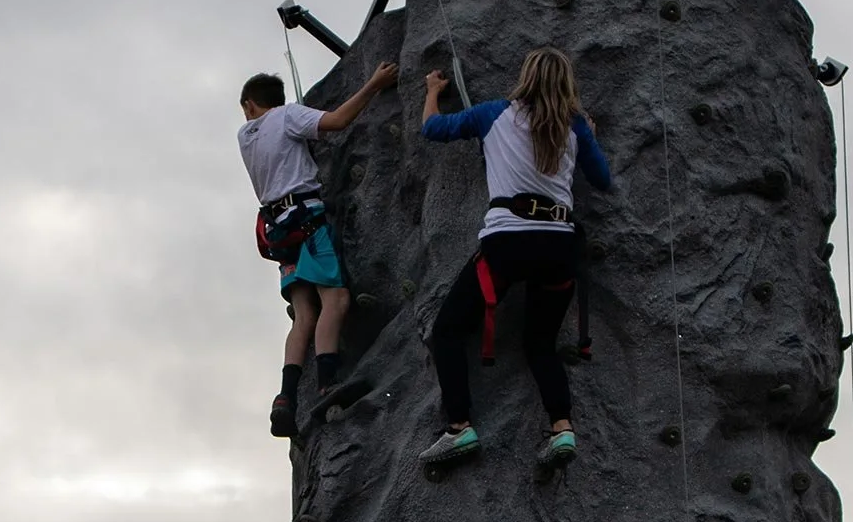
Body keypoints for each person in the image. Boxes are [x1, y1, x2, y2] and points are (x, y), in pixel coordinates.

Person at [416, 46, 612, 467]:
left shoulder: (493, 114)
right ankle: (562, 428)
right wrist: (589, 135)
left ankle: (459, 428)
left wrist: (432, 90)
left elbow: (432, 129)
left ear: (525, 76)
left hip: (509, 242)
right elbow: (603, 180)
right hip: (558, 244)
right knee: (540, 342)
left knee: (448, 330)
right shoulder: (574, 126)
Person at [238, 61, 398, 437]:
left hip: (278, 232)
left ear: (248, 106)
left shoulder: (244, 135)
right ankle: (327, 383)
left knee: (304, 315)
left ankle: (285, 398)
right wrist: (374, 83)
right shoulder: (288, 116)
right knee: (336, 300)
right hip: (307, 221)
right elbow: (338, 120)